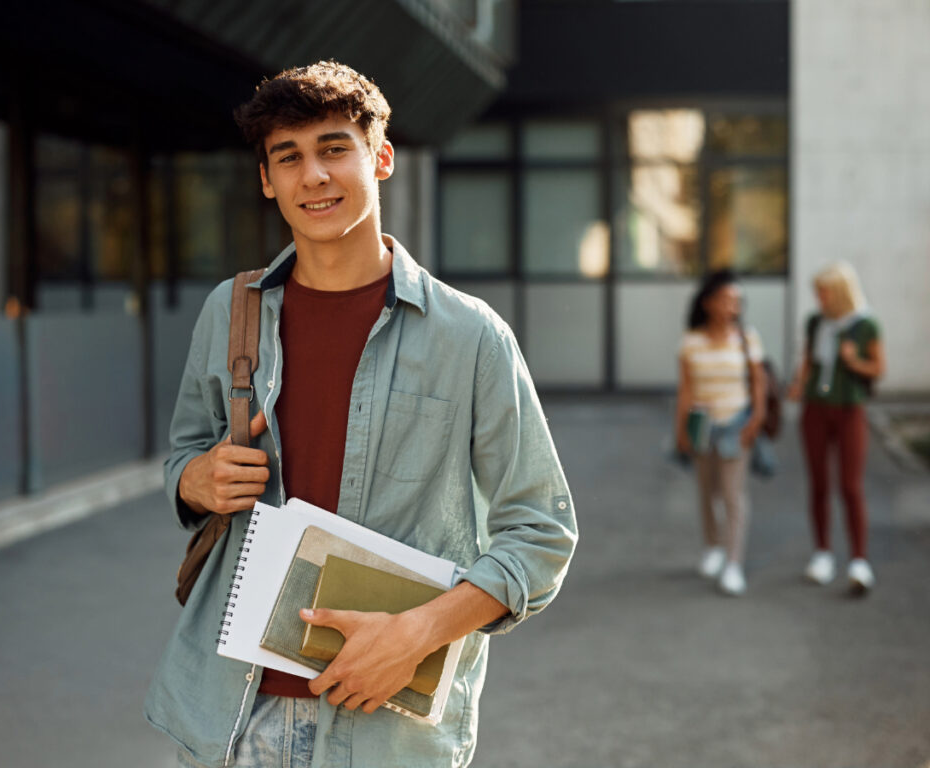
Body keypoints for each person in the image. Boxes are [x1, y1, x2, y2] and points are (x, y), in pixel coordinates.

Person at [143, 61, 577, 768]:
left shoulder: (471, 335)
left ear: (380, 157)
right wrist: (198, 479)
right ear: (267, 180)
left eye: (333, 148)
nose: (313, 175)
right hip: (230, 716)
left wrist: (418, 633)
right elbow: (183, 458)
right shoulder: (230, 311)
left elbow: (541, 531)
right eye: (289, 157)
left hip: (386, 730)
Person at [786, 262, 884, 593]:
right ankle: (822, 554)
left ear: (840, 292)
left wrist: (853, 360)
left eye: (823, 291)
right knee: (818, 483)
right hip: (816, 408)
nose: (819, 297)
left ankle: (859, 560)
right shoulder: (816, 322)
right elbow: (807, 360)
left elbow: (878, 368)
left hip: (849, 409)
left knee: (850, 485)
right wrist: (798, 384)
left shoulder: (865, 324)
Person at [675, 270, 766, 597]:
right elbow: (685, 388)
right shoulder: (691, 340)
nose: (733, 306)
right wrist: (681, 429)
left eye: (737, 300)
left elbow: (758, 381)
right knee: (706, 491)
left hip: (735, 425)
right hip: (702, 426)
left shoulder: (747, 337)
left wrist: (757, 418)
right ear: (709, 302)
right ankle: (712, 546)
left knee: (732, 495)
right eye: (727, 299)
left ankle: (733, 563)